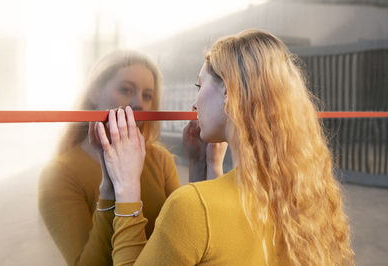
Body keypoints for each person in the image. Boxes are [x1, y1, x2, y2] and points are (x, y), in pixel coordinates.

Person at [97, 29, 355, 265]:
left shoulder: (190, 207)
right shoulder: (302, 198)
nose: (195, 102)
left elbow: (205, 220)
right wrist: (207, 167)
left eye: (200, 86)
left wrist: (126, 185)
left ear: (228, 91)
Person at [38, 50, 183, 266]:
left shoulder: (161, 159)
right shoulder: (59, 175)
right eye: (126, 90)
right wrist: (109, 189)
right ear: (95, 92)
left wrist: (204, 168)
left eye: (147, 95)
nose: (138, 103)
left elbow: (183, 239)